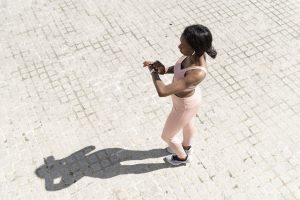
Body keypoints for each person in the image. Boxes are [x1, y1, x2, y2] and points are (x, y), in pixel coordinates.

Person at [143, 24, 217, 165]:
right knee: (187, 122)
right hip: (187, 102)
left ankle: (182, 157)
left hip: (184, 105)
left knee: (167, 136)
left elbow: (163, 91)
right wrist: (164, 70)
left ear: (195, 47)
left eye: (183, 45)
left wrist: (153, 71)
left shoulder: (198, 73)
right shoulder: (193, 54)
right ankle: (186, 147)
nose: (179, 46)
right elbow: (179, 69)